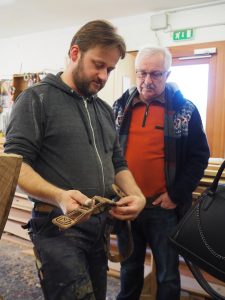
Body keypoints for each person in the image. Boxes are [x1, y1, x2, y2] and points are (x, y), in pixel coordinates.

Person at [4, 20, 146, 300]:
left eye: (110, 69)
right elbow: (16, 165)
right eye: (98, 64)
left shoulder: (104, 109)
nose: (104, 76)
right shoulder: (36, 100)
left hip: (99, 228)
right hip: (58, 227)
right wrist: (59, 196)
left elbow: (117, 162)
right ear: (74, 53)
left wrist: (137, 195)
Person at [113, 45, 210, 300]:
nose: (147, 80)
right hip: (126, 205)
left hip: (163, 208)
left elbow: (199, 157)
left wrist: (176, 195)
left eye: (156, 74)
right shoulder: (119, 108)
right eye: (142, 73)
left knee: (167, 274)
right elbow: (108, 153)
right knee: (129, 269)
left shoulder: (185, 110)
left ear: (167, 75)